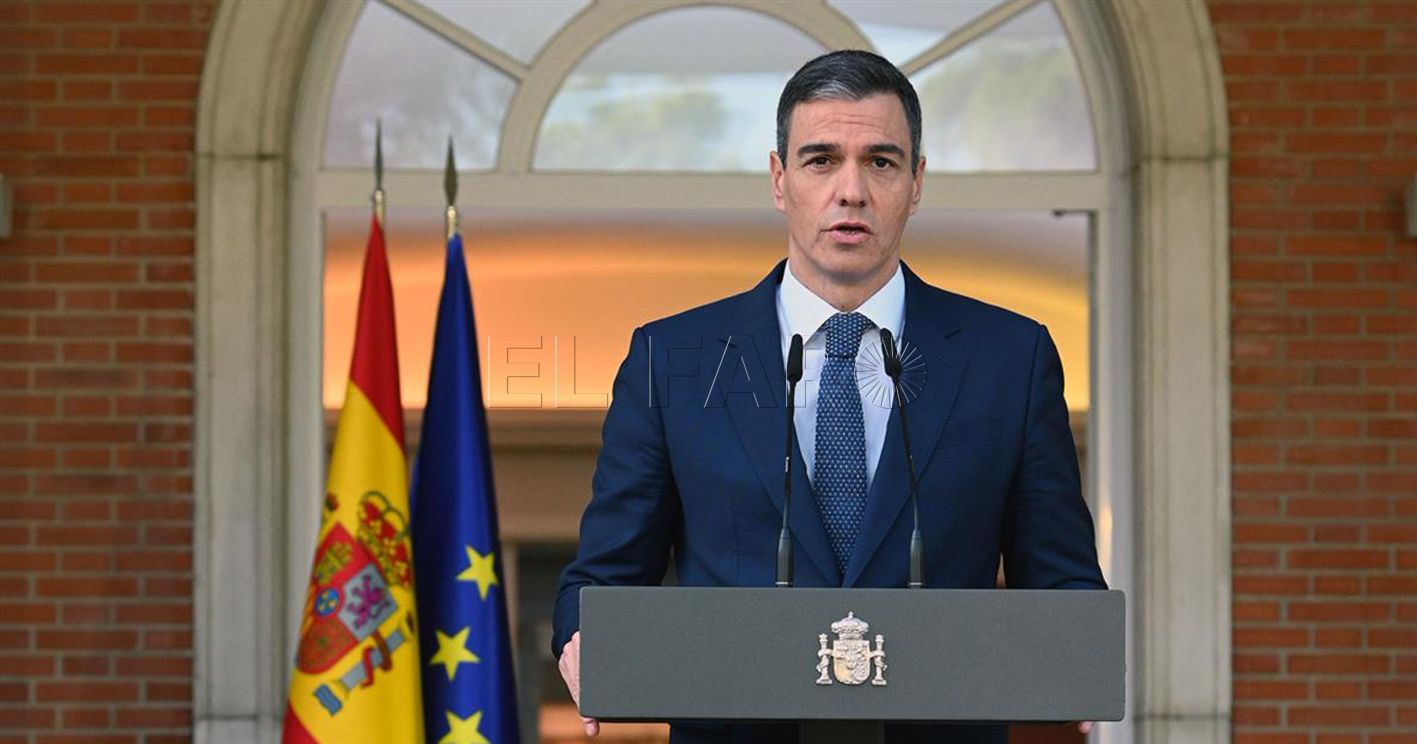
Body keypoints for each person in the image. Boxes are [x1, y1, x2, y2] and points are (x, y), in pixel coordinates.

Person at [553, 50, 1106, 744]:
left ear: (916, 182)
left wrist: (1079, 653)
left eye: (880, 161)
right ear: (779, 181)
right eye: (820, 160)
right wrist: (584, 639)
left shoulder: (1009, 358)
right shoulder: (672, 360)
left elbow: (1059, 580)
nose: (851, 190)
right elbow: (603, 579)